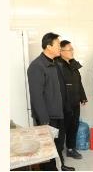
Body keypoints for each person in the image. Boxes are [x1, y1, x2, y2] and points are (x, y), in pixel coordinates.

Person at [27, 32, 74, 171]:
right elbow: (37, 96)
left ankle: (60, 166)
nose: (60, 47)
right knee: (47, 148)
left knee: (58, 144)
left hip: (59, 113)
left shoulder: (55, 64)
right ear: (48, 46)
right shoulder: (37, 66)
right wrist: (44, 120)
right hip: (48, 116)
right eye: (58, 45)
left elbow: (60, 89)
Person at [56, 40, 88, 161]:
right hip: (64, 104)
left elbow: (78, 82)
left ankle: (70, 149)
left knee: (74, 126)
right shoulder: (58, 66)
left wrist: (83, 96)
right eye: (69, 49)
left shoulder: (73, 64)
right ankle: (58, 153)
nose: (72, 51)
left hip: (75, 102)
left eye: (72, 49)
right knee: (63, 129)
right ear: (61, 51)